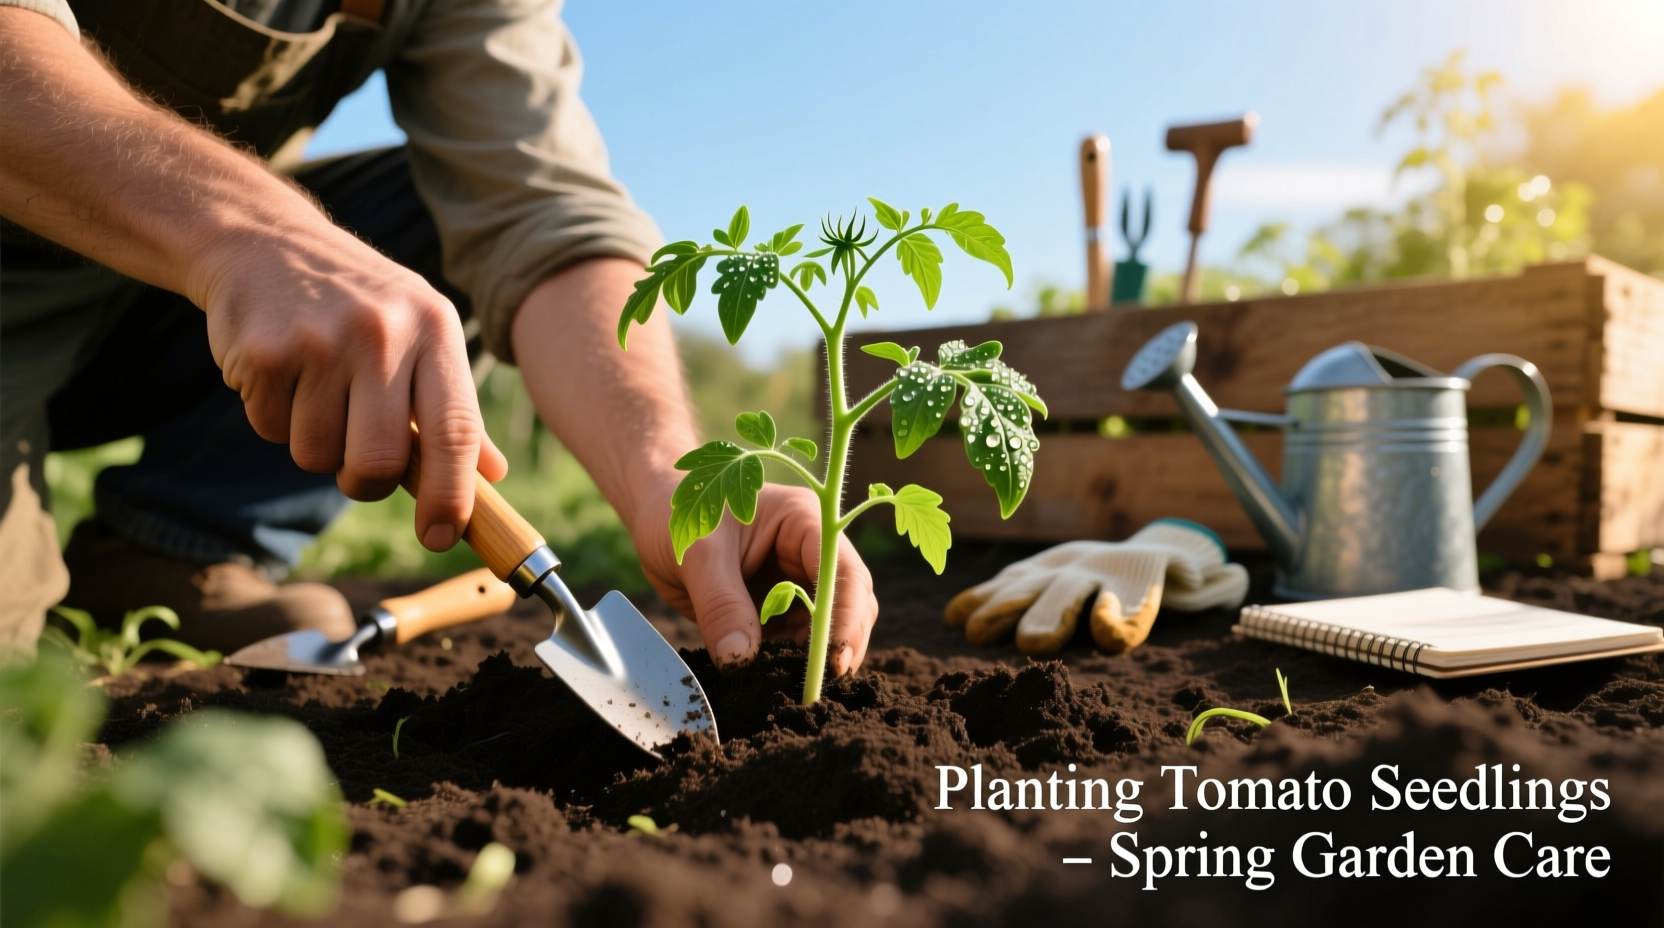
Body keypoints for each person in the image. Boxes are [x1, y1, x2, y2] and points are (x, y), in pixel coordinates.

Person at [0, 0, 877, 674]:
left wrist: (666, 475)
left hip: (157, 300)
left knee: (440, 225)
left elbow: (543, 214)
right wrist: (245, 232)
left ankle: (167, 550)